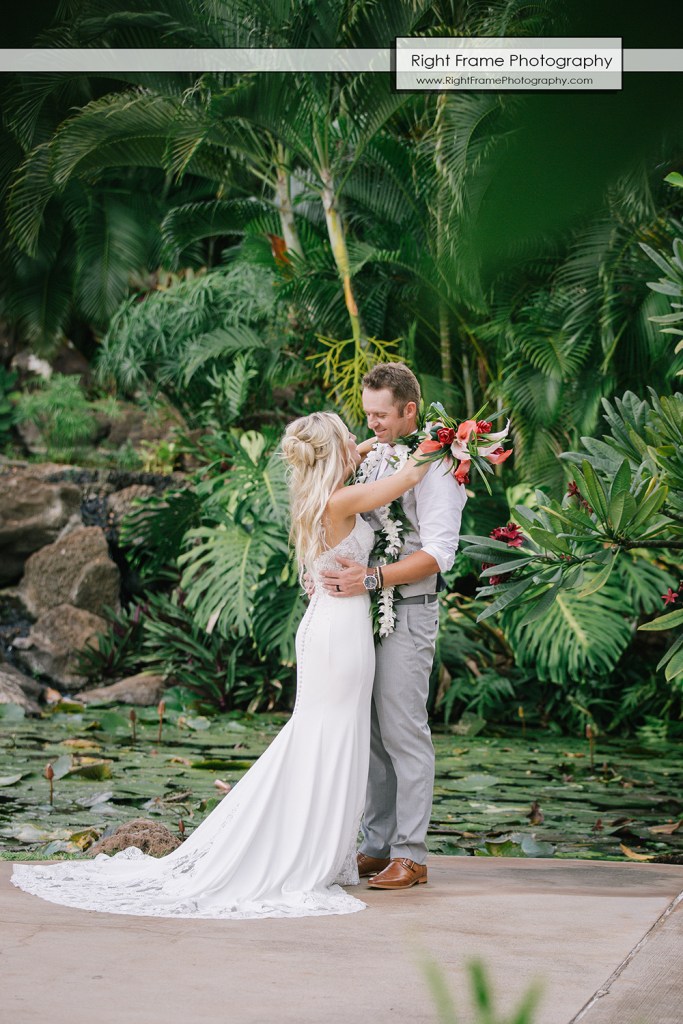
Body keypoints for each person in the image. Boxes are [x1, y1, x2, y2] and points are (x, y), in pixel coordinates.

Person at [11, 411, 432, 920]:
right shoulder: (341, 501)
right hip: (339, 636)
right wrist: (454, 441)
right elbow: (409, 477)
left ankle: (315, 845)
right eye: (348, 437)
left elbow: (360, 457)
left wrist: (360, 449)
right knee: (329, 737)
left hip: (332, 627)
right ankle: (309, 852)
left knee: (322, 736)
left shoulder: (317, 497)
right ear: (334, 453)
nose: (356, 442)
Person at [320, 364, 466, 890]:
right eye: (367, 414)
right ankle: (375, 845)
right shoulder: (378, 455)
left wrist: (373, 578)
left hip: (408, 607)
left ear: (410, 410)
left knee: (404, 731)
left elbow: (438, 554)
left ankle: (412, 854)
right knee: (374, 734)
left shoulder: (441, 469)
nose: (373, 423)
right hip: (366, 608)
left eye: (382, 415)